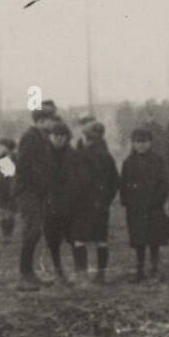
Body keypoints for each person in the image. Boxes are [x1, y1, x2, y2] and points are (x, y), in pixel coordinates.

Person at [119, 127, 169, 282]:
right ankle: (139, 269)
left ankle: (155, 267)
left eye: (144, 142)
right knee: (139, 240)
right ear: (133, 143)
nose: (141, 145)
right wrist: (127, 201)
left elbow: (164, 183)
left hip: (153, 206)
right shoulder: (128, 163)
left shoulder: (157, 160)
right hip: (136, 208)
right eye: (138, 142)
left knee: (154, 239)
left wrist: (157, 200)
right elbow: (123, 184)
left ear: (150, 143)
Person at [69, 121, 119, 284]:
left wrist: (75, 201)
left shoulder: (81, 155)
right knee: (101, 240)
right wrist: (106, 199)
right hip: (101, 204)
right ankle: (101, 275)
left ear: (86, 137)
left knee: (79, 239)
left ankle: (82, 275)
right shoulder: (107, 156)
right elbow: (115, 181)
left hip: (83, 205)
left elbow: (79, 182)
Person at [14, 108, 55, 291]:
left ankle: (29, 273)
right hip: (28, 191)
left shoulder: (42, 137)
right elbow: (23, 165)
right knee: (32, 230)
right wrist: (35, 185)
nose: (51, 123)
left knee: (35, 231)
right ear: (40, 121)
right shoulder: (30, 137)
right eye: (48, 120)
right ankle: (24, 276)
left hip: (37, 191)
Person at [42, 121, 80, 283]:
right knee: (53, 240)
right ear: (50, 137)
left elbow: (80, 178)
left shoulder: (74, 155)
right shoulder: (42, 154)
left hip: (70, 204)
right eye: (55, 135)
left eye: (62, 136)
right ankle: (58, 270)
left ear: (67, 137)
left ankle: (79, 272)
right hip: (49, 204)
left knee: (74, 237)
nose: (58, 139)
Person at [0, 137, 18, 243]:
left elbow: (11, 175)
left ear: (8, 148)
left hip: (12, 188)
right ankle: (5, 235)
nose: (0, 148)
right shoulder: (2, 157)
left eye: (2, 146)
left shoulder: (14, 158)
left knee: (11, 213)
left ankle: (8, 235)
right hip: (2, 188)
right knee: (3, 212)